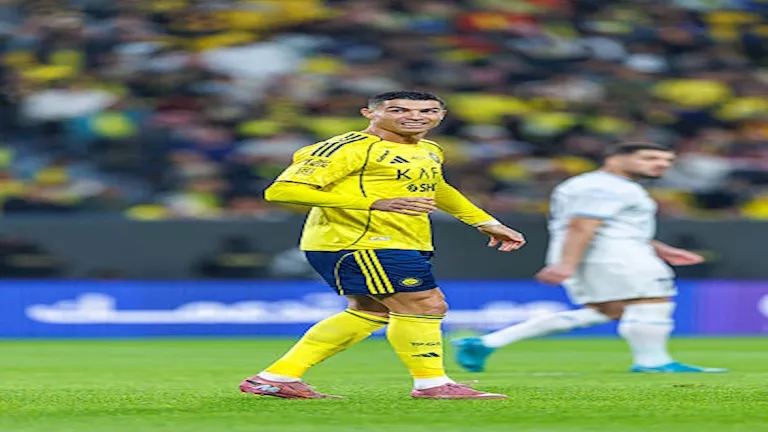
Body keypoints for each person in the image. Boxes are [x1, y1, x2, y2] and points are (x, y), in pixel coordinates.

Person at [239, 90, 526, 400]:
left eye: (427, 111)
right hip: (358, 240)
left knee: (372, 311)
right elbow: (282, 190)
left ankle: (276, 378)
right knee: (426, 304)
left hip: (399, 239)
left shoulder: (430, 150)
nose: (415, 117)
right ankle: (432, 384)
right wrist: (373, 202)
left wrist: (484, 222)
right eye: (399, 110)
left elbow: (437, 187)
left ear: (441, 116)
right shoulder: (347, 148)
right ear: (370, 114)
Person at [452, 142, 727, 374]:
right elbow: (582, 225)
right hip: (615, 256)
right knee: (653, 301)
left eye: (667, 160)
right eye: (650, 158)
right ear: (614, 158)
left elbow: (609, 226)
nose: (660, 164)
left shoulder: (593, 184)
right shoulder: (606, 186)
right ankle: (654, 362)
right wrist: (566, 264)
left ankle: (486, 343)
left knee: (608, 310)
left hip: (600, 253)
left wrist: (660, 248)